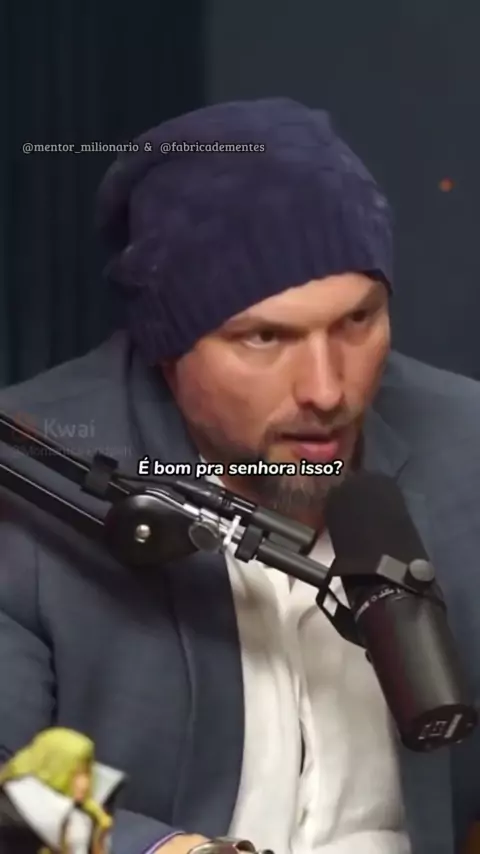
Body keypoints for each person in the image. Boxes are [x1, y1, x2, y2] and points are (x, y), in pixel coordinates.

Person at [0, 97, 478, 854]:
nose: (327, 389)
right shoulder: (31, 471)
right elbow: (14, 785)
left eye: (356, 321)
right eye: (264, 337)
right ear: (167, 346)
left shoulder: (464, 445)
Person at [0, 727, 124, 853]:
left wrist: (99, 836)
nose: (85, 784)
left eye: (87, 773)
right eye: (75, 774)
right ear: (52, 769)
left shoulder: (90, 813)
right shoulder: (9, 819)